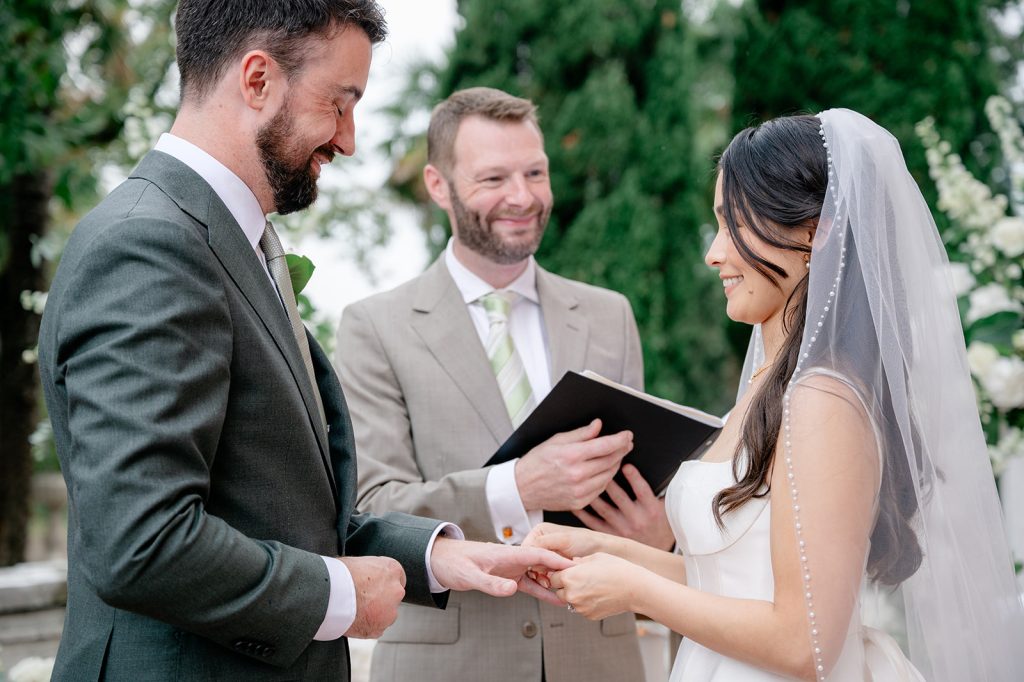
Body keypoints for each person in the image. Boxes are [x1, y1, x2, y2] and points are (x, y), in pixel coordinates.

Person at [36, 3, 572, 680]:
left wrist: (438, 555)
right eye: (339, 104)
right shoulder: (148, 247)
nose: (348, 140)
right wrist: (337, 594)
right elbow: (142, 542)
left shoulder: (233, 240)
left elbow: (278, 508)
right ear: (257, 79)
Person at [526, 109, 1024, 681]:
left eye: (732, 224)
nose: (714, 253)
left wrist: (634, 588)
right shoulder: (771, 386)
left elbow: (805, 643)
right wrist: (605, 554)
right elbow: (730, 585)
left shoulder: (822, 400)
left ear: (813, 232)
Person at [334, 86, 672, 681]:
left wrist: (658, 531)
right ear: (438, 185)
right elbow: (373, 509)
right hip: (449, 666)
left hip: (599, 660)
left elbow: (636, 490)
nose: (523, 197)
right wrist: (515, 486)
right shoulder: (375, 327)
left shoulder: (609, 315)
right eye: (494, 178)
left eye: (535, 173)